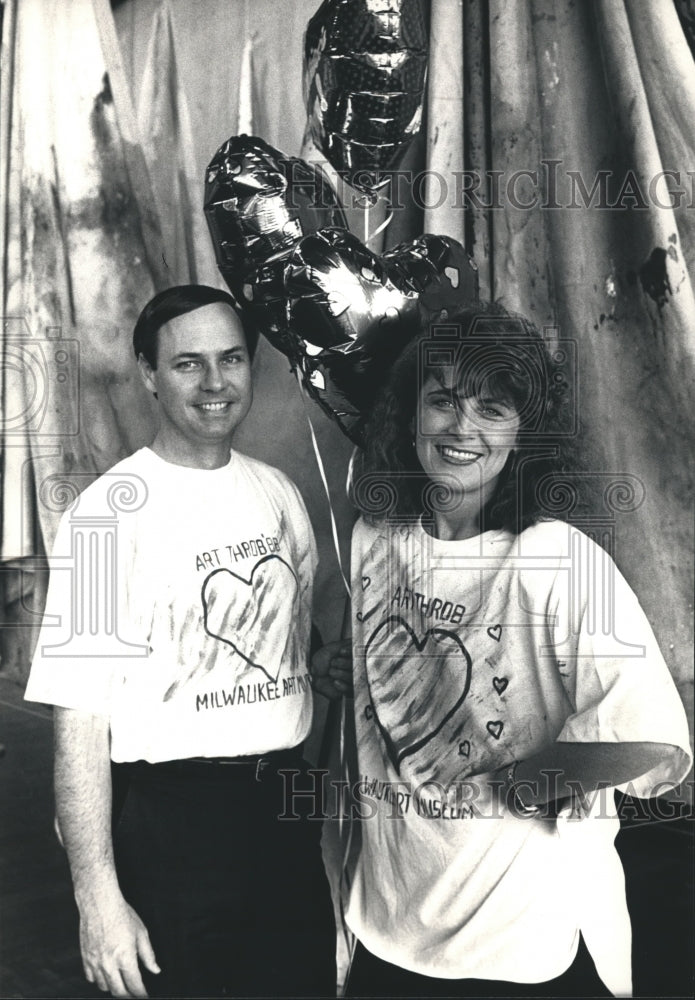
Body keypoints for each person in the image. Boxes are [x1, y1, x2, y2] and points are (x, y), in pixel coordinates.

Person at [312, 303, 692, 997]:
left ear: (526, 433)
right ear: (410, 414)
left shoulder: (557, 557)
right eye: (443, 402)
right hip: (389, 921)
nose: (461, 428)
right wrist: (335, 669)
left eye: (492, 409)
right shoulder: (376, 535)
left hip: (520, 946)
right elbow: (376, 675)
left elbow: (653, 741)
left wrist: (530, 780)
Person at [25, 285, 337, 999]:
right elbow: (78, 722)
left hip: (283, 806)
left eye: (230, 359)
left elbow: (291, 649)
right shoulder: (105, 517)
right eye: (187, 364)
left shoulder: (279, 493)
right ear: (147, 375)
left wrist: (327, 664)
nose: (214, 383)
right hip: (171, 823)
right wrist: (97, 903)